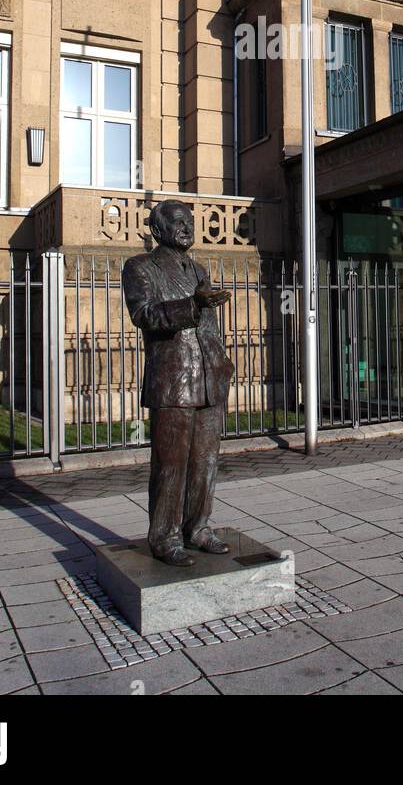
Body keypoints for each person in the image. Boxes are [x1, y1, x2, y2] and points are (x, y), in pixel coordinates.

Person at [121, 200, 233, 565]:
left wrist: (223, 363)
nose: (187, 227)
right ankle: (165, 536)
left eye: (190, 221)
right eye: (178, 222)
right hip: (173, 381)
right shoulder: (140, 267)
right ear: (157, 230)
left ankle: (197, 527)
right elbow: (144, 315)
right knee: (171, 465)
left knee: (206, 461)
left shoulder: (199, 268)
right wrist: (192, 304)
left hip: (209, 379)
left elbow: (209, 327)